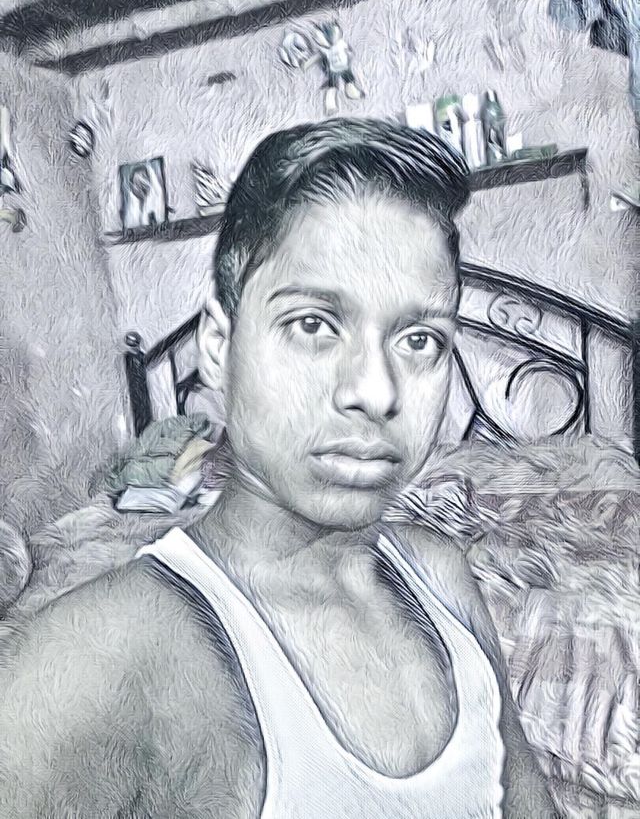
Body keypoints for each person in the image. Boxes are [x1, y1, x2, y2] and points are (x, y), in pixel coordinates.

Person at [0, 119, 556, 818]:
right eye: (314, 324)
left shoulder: (441, 575)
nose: (377, 391)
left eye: (420, 339)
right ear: (217, 345)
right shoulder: (98, 652)